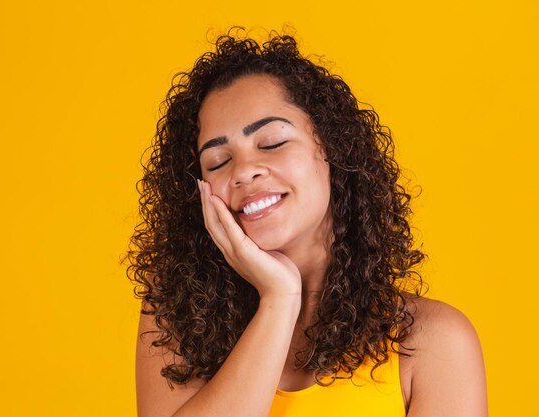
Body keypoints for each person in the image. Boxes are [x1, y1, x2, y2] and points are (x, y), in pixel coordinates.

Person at [128, 28, 487, 417]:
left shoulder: (432, 343)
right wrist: (279, 300)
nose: (244, 171)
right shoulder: (177, 315)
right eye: (218, 162)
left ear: (331, 147)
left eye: (272, 142)